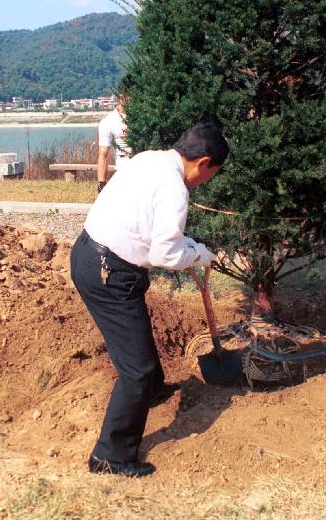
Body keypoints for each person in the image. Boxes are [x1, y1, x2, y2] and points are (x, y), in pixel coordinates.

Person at [70, 121, 229, 477]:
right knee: (136, 370)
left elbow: (151, 231)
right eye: (212, 175)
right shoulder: (175, 189)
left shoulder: (149, 160)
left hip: (90, 254)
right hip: (108, 272)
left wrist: (191, 248)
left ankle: (152, 391)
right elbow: (165, 255)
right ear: (203, 163)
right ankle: (111, 455)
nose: (207, 182)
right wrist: (197, 254)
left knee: (137, 342)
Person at [96, 91, 132, 193]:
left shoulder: (143, 116)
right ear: (120, 96)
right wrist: (101, 182)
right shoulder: (108, 121)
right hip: (122, 171)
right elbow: (103, 153)